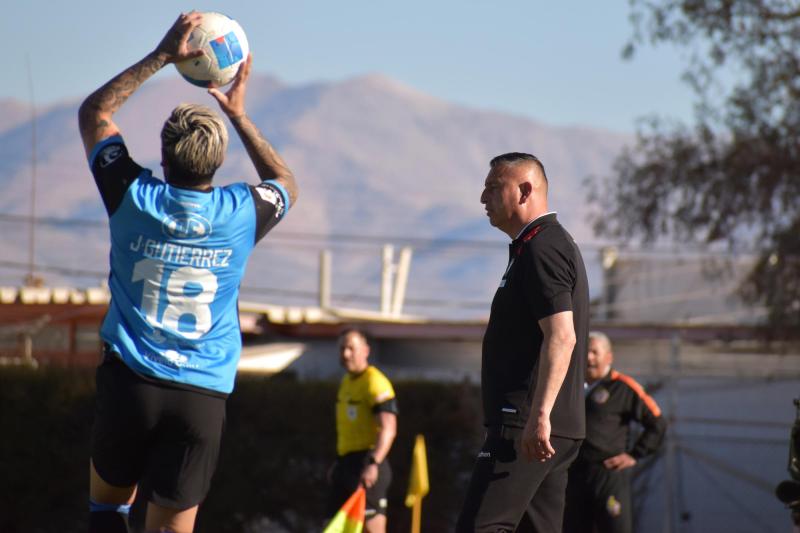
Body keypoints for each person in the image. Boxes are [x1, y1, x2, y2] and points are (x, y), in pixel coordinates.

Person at [78, 12, 298, 533]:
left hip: (131, 382)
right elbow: (284, 180)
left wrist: (161, 55)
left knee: (108, 509)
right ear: (219, 161)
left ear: (164, 154)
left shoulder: (132, 196)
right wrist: (238, 114)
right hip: (200, 395)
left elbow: (95, 112)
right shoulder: (240, 213)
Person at [456, 153, 590, 532]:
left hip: (527, 425)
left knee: (482, 526)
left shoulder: (542, 247)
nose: (483, 198)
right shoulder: (534, 245)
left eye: (493, 187)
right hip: (546, 427)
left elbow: (562, 336)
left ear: (525, 190)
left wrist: (539, 416)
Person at [563, 332, 667, 533]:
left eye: (595, 352)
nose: (589, 357)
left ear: (609, 357)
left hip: (608, 474)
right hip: (574, 473)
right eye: (586, 351)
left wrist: (635, 454)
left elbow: (657, 423)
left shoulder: (623, 387)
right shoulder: (569, 386)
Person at [327, 328, 398, 533]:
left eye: (351, 348)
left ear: (365, 350)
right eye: (342, 348)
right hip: (345, 465)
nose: (346, 354)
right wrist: (338, 463)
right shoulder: (346, 382)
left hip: (368, 465)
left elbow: (389, 428)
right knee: (332, 526)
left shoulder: (375, 382)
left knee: (371, 529)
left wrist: (373, 463)